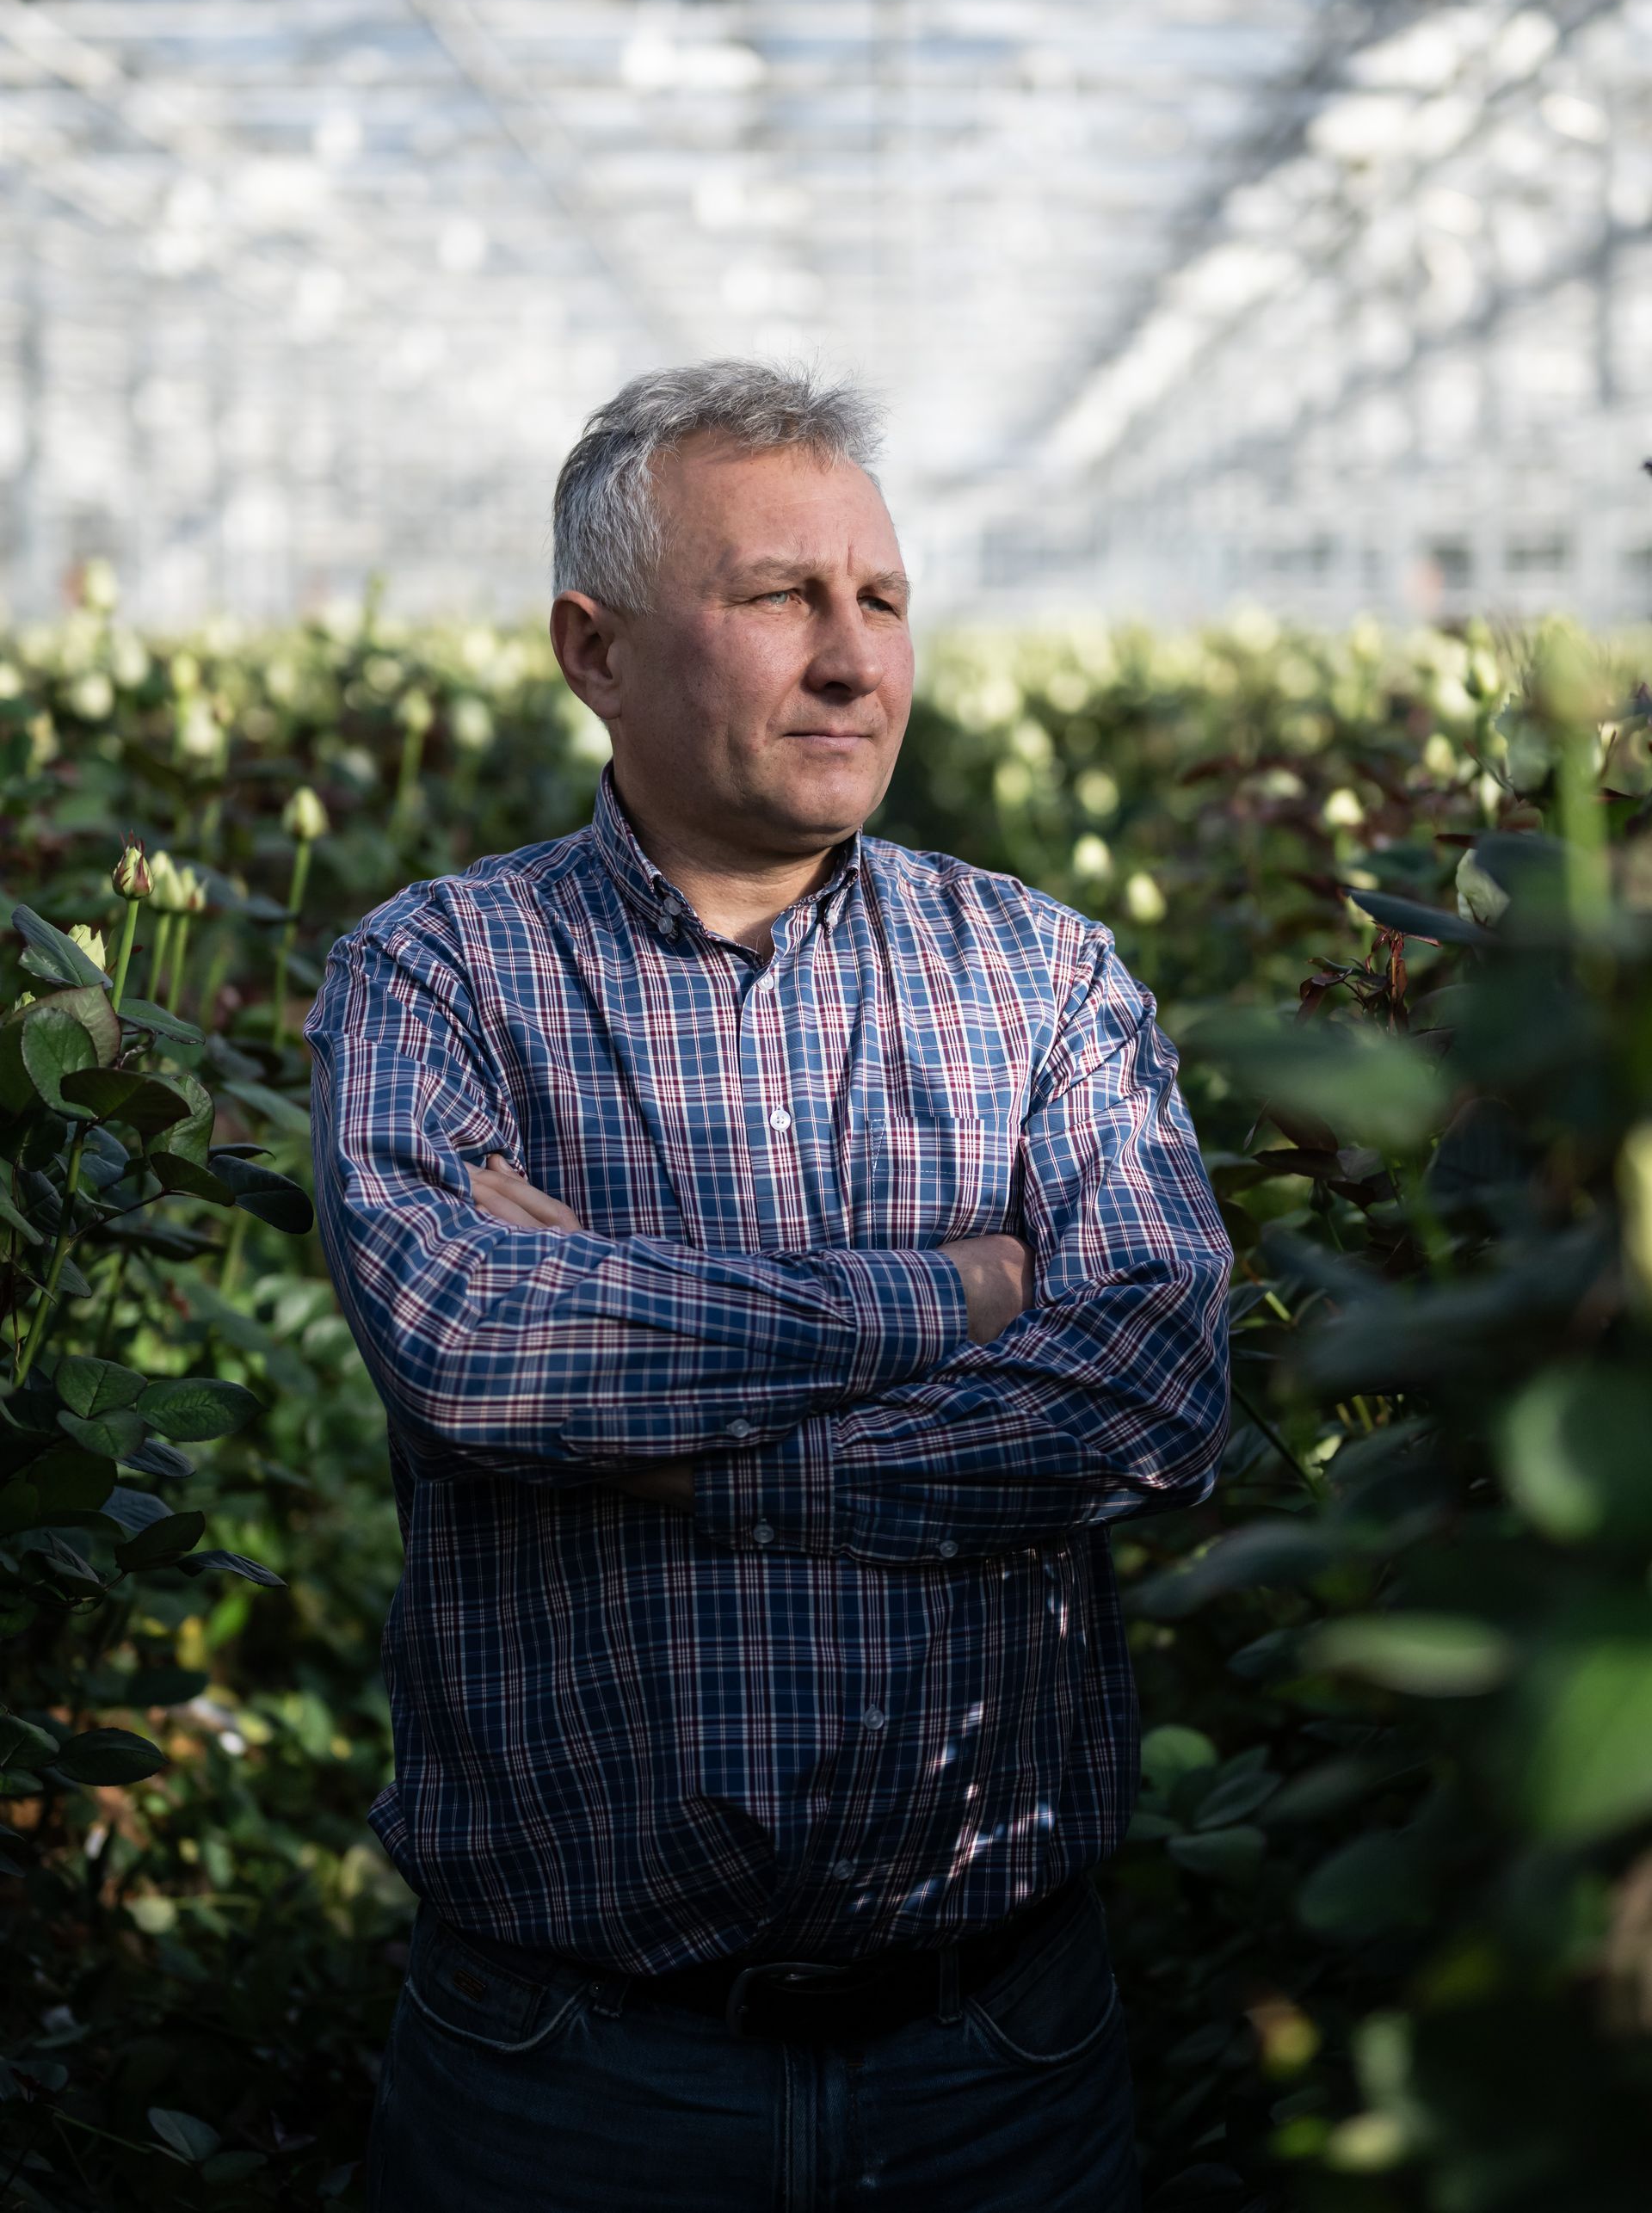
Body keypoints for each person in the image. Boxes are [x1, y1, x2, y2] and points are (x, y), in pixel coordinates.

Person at [305, 359, 1234, 2212]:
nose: (852, 659)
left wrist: (656, 1441)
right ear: (596, 648)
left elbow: (1147, 1386)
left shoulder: (1040, 974)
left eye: (880, 599)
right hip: (567, 2082)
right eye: (777, 597)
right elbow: (481, 1350)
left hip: (998, 2065)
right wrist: (961, 1294)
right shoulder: (440, 975)